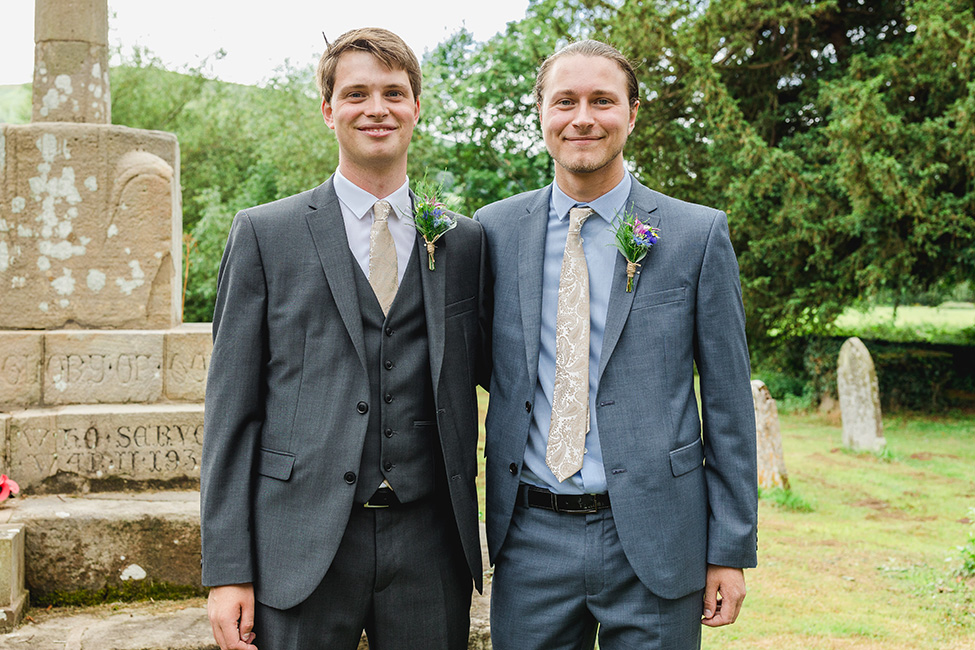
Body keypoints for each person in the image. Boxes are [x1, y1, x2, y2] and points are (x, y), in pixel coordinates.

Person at [200, 27, 486, 650]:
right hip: (297, 543)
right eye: (356, 93)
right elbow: (231, 414)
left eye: (394, 92)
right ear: (329, 110)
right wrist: (227, 571)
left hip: (431, 543)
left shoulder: (463, 242)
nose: (376, 108)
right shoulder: (264, 234)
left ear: (417, 106)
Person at [474, 39, 758, 650]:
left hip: (659, 536)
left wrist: (730, 549)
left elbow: (731, 404)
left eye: (602, 100)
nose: (583, 117)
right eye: (565, 101)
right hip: (529, 538)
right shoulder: (493, 232)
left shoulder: (695, 234)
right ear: (542, 116)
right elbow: (479, 363)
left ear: (631, 115)